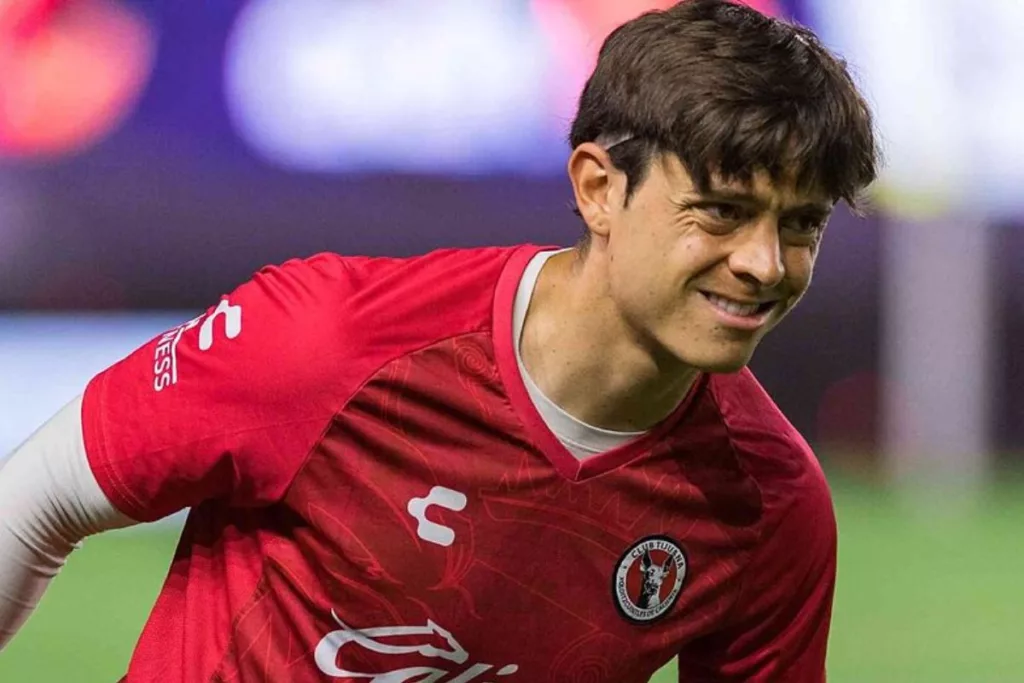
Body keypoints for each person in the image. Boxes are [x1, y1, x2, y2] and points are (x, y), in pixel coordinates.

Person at [0, 0, 879, 680]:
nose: (765, 263)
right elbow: (34, 501)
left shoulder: (769, 504)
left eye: (800, 225)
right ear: (598, 188)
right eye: (720, 213)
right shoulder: (328, 342)